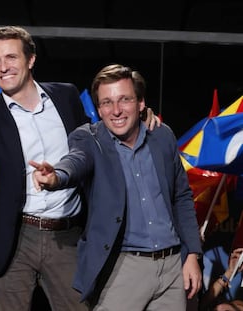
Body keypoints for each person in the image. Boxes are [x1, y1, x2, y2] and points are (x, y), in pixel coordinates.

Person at [0, 26, 160, 311]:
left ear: (31, 59)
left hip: (68, 236)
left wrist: (140, 117)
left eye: (10, 57)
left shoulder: (66, 96)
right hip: (14, 236)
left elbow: (98, 139)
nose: (3, 67)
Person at [30, 64, 203, 310]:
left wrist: (193, 255)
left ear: (141, 103)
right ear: (99, 109)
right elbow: (76, 161)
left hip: (173, 267)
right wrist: (56, 176)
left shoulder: (162, 136)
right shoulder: (88, 138)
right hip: (123, 268)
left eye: (125, 100)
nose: (116, 110)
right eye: (107, 103)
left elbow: (182, 197)